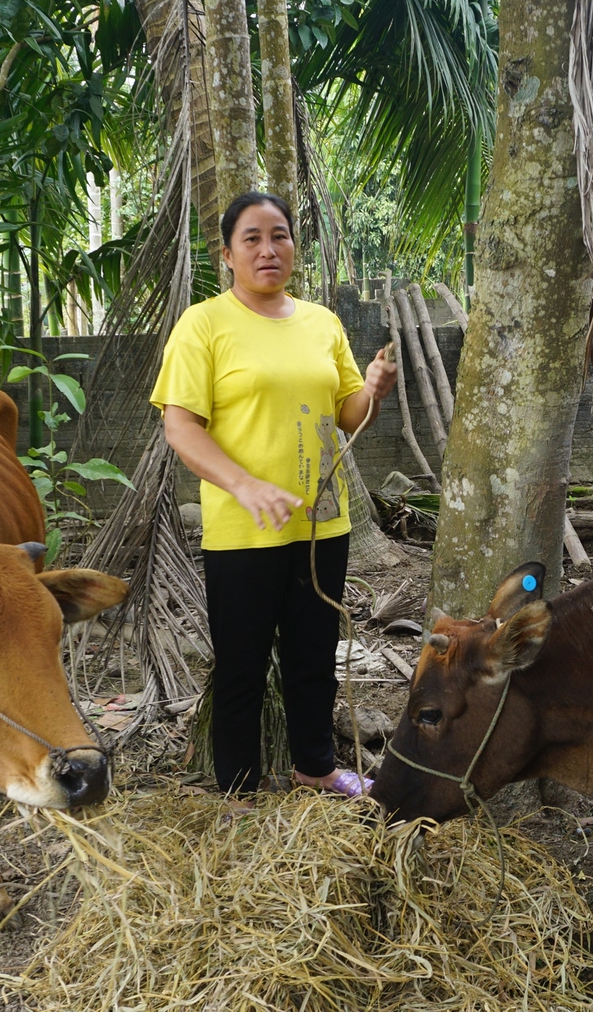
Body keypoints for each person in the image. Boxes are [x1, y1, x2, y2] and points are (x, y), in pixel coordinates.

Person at [150, 192, 398, 798]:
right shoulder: (203, 325)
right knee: (242, 666)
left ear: (294, 246)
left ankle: (314, 767)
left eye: (280, 235)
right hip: (242, 528)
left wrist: (374, 387)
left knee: (313, 659)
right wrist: (245, 484)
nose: (268, 249)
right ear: (228, 254)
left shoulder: (322, 322)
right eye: (253, 238)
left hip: (321, 525)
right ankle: (237, 789)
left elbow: (348, 414)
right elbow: (181, 427)